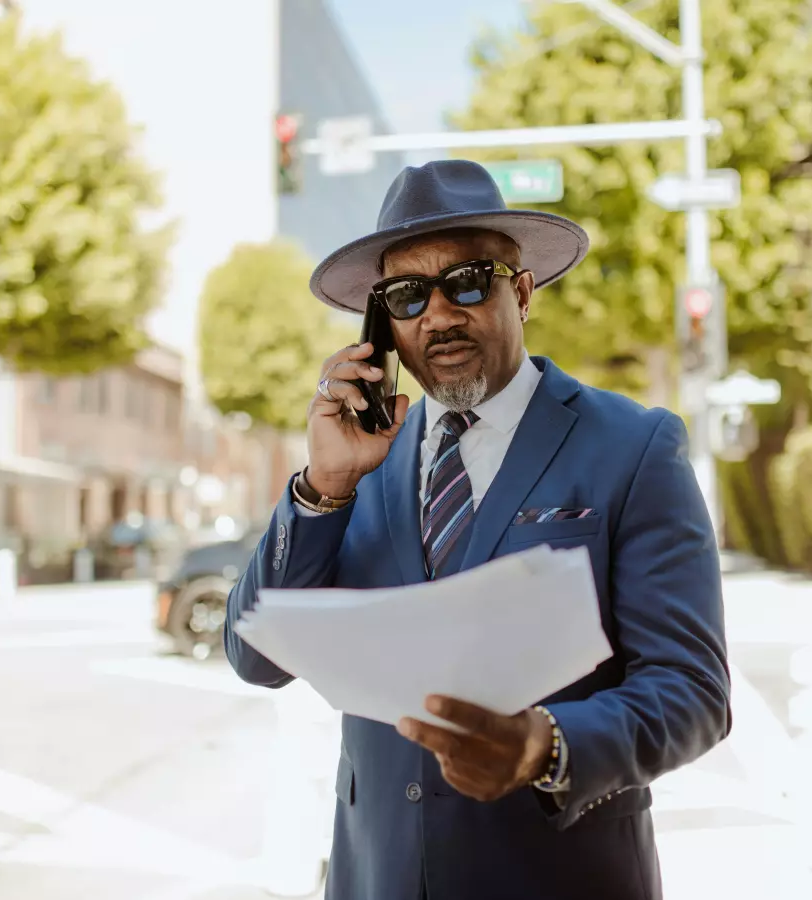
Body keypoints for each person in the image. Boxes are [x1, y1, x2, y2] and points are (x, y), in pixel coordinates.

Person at [224, 159, 730, 900]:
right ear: (383, 325)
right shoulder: (355, 464)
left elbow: (692, 690)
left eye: (468, 281)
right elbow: (253, 657)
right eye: (406, 295)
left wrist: (545, 747)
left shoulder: (633, 446)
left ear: (521, 292)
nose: (438, 314)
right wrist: (322, 489)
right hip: (379, 881)